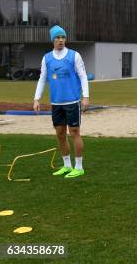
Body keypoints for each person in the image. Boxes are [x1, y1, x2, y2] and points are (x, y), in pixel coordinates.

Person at [33, 25, 89, 178]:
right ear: (53, 40)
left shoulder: (74, 56)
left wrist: (86, 97)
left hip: (72, 102)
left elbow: (83, 76)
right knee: (60, 134)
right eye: (57, 37)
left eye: (63, 37)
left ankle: (79, 167)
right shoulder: (47, 58)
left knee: (75, 132)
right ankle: (66, 166)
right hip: (56, 103)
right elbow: (42, 79)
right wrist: (36, 99)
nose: (60, 40)